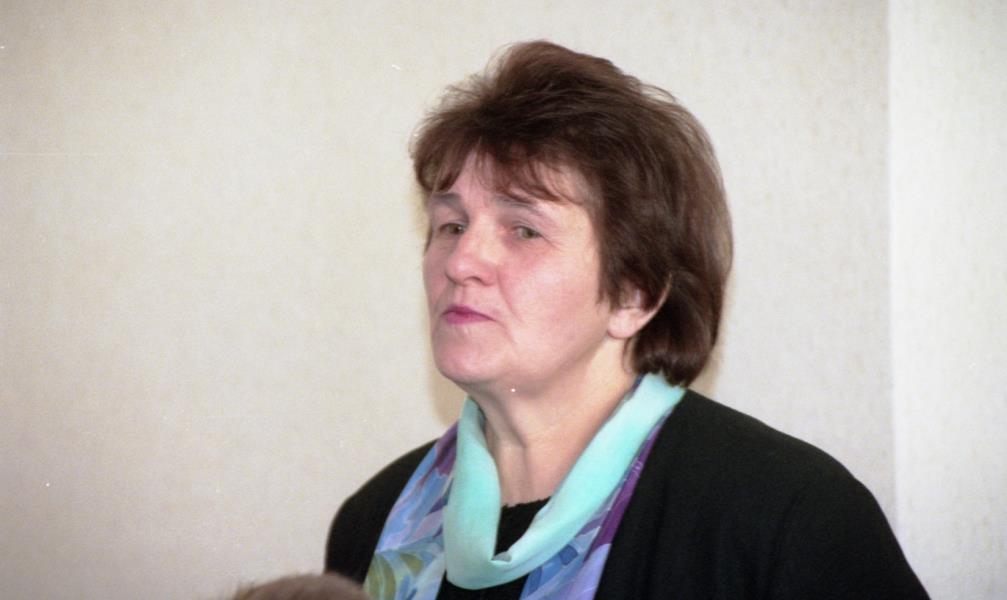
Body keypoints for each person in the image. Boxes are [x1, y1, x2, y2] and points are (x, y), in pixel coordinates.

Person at [325, 41, 928, 599]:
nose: (461, 262)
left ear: (633, 295)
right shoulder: (372, 521)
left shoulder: (786, 516)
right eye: (452, 225)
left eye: (524, 230)